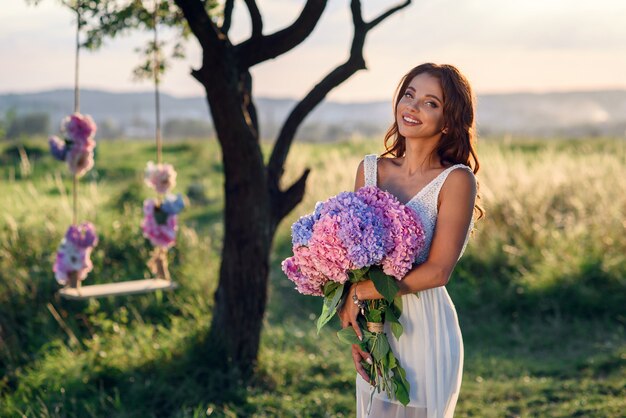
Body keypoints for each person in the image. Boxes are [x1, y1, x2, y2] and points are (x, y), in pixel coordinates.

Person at [338, 63, 483, 418]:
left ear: (448, 120)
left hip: (425, 326)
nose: (413, 107)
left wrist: (362, 293)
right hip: (376, 323)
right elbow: (356, 258)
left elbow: (437, 271)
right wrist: (358, 329)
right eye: (409, 95)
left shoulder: (456, 180)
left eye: (430, 103)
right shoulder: (371, 169)